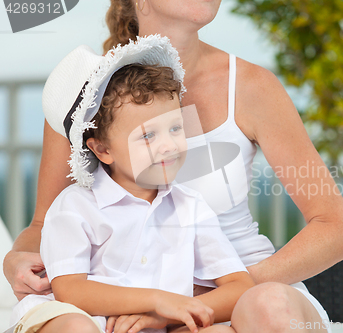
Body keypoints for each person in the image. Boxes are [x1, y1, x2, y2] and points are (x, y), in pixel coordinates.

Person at [3, 0, 343, 332]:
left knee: (271, 307)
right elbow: (43, 222)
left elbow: (335, 229)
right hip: (116, 294)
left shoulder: (252, 87)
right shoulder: (84, 99)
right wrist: (16, 258)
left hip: (240, 288)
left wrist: (199, 297)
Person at [7, 35, 254, 333]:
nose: (168, 146)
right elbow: (70, 291)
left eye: (175, 128)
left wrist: (166, 314)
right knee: (76, 328)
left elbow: (240, 286)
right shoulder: (75, 206)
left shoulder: (190, 207)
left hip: (155, 326)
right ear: (103, 150)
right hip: (82, 318)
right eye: (148, 136)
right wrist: (157, 300)